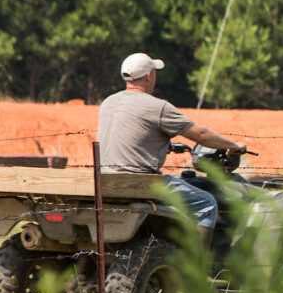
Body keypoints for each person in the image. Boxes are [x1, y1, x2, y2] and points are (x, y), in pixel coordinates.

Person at [97, 51, 248, 245]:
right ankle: (197, 266)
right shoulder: (158, 107)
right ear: (149, 76)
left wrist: (163, 145)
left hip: (104, 179)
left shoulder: (108, 102)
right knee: (207, 204)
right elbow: (199, 134)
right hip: (141, 182)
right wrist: (233, 145)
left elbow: (133, 134)